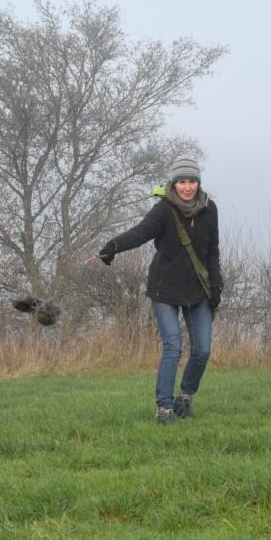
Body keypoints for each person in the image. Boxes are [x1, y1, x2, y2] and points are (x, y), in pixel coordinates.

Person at [95, 155, 222, 424]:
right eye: (182, 182)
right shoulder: (163, 210)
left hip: (197, 291)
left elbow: (212, 252)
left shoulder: (210, 210)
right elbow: (140, 232)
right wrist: (113, 246)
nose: (187, 187)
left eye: (192, 182)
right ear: (173, 184)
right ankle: (164, 409)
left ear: (198, 184)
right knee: (173, 348)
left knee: (202, 351)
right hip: (164, 289)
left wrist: (216, 285)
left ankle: (185, 398)